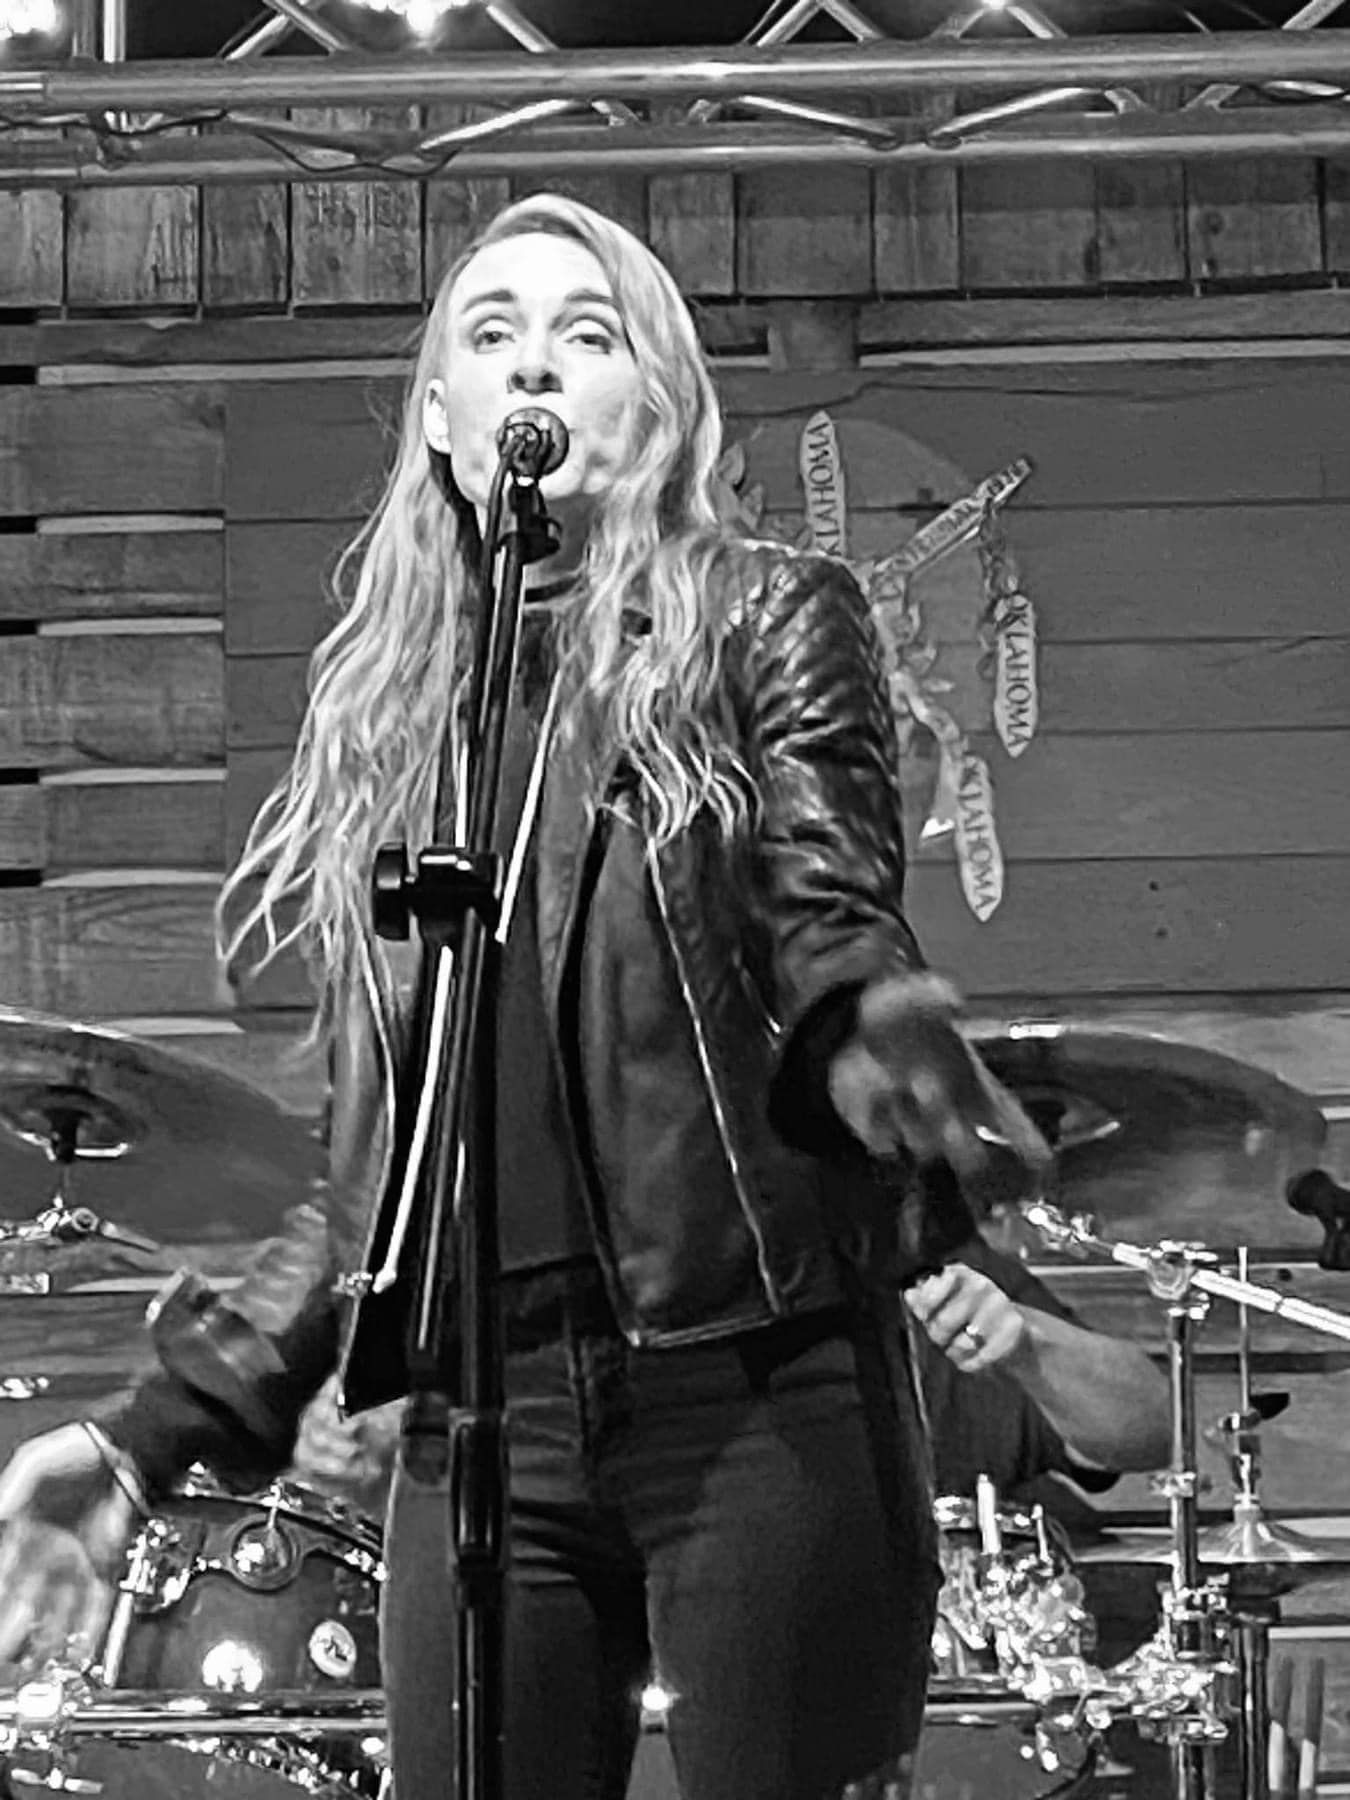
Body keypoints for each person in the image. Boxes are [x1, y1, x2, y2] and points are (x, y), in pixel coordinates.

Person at [0, 193, 1050, 1800]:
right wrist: (148, 1437)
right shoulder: (407, 726)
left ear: (659, 404)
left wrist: (868, 1021)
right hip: (486, 1425)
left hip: (753, 1387)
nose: (533, 362)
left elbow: (829, 902)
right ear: (440, 420)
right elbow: (377, 1190)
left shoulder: (769, 615)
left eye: (586, 329)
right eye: (488, 337)